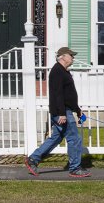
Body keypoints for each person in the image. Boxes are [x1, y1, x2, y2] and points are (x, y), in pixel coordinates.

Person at [24, 46, 90, 178]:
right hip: (62, 111)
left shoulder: (63, 71)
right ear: (63, 56)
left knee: (56, 138)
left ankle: (33, 159)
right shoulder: (57, 71)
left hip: (65, 110)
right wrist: (62, 114)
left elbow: (68, 95)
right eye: (71, 55)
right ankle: (75, 168)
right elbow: (58, 94)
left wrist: (78, 110)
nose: (73, 58)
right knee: (74, 139)